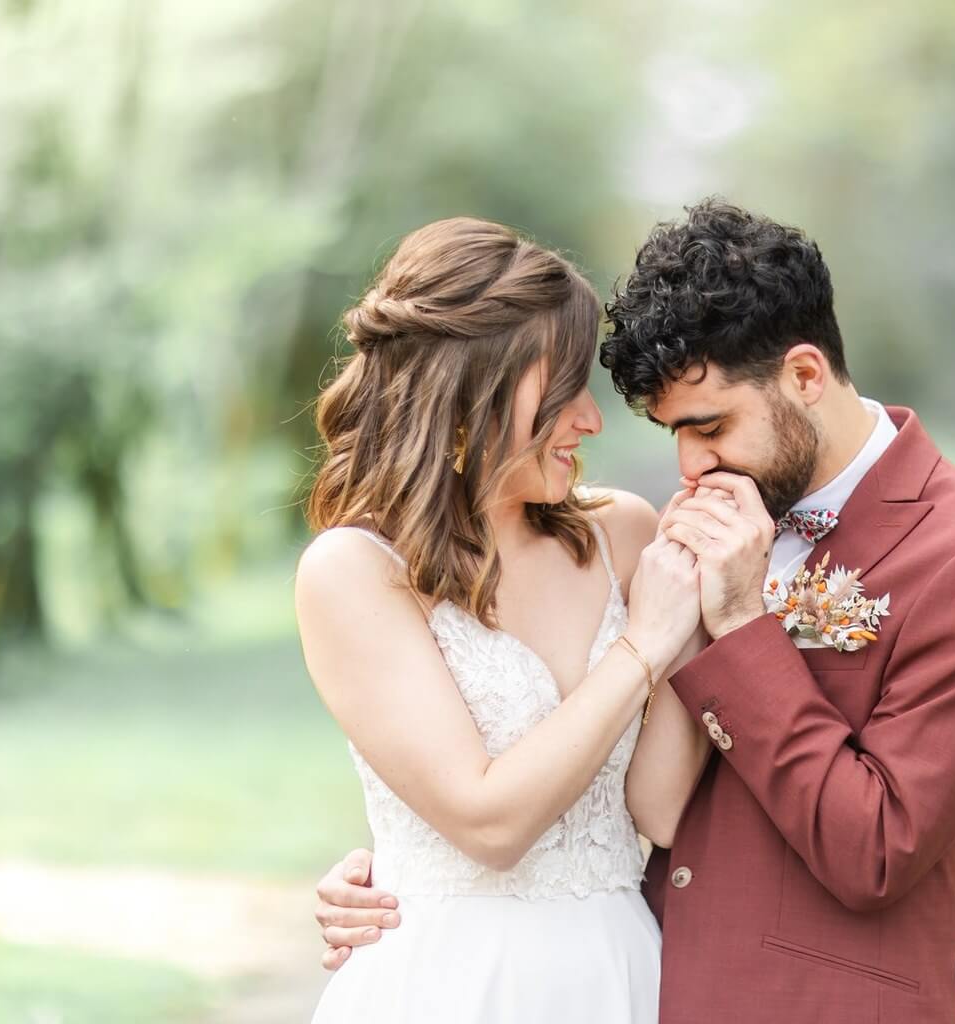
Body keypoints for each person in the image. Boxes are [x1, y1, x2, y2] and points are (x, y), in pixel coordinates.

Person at [313, 199, 955, 1023]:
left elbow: (878, 850)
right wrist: (417, 874)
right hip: (630, 982)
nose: (689, 467)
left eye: (708, 427)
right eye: (672, 433)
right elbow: (638, 804)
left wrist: (740, 624)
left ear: (805, 377)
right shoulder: (673, 531)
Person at [294, 216, 711, 1023]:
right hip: (446, 985)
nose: (590, 419)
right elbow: (489, 823)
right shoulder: (355, 574)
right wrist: (645, 645)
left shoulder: (625, 532)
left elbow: (660, 808)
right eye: (563, 389)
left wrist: (694, 614)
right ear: (470, 386)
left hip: (619, 974)